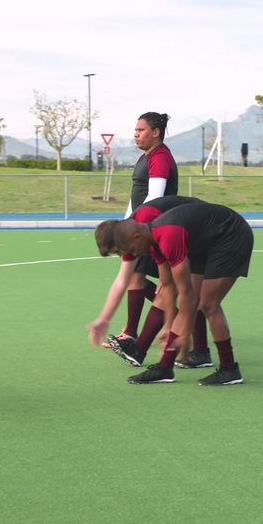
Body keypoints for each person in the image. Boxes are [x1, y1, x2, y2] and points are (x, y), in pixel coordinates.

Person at [100, 201, 253, 385]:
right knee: (193, 302)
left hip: (231, 235)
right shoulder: (153, 243)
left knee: (207, 304)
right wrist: (169, 326)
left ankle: (230, 369)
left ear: (137, 236)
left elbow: (186, 292)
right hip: (205, 241)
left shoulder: (168, 235)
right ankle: (165, 369)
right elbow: (168, 289)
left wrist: (185, 333)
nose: (135, 255)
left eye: (132, 250)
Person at [89, 195, 213, 369]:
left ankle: (200, 351)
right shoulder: (127, 236)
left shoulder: (143, 221)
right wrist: (104, 318)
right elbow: (121, 280)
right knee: (166, 289)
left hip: (201, 231)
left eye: (118, 251)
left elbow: (169, 241)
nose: (122, 255)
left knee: (189, 290)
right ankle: (143, 349)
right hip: (180, 237)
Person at [99, 112, 179, 349]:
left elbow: (154, 197)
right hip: (138, 226)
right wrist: (124, 222)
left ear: (155, 132)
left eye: (141, 130)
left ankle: (132, 334)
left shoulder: (160, 157)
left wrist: (134, 226)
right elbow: (137, 197)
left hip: (149, 229)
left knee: (135, 277)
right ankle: (176, 316)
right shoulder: (146, 157)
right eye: (135, 130)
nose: (136, 134)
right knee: (138, 278)